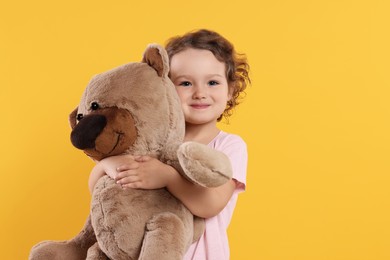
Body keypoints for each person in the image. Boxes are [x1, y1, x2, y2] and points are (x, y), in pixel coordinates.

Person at [89, 29, 251, 259]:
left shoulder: (228, 146)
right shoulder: (150, 140)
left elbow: (210, 204)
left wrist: (168, 177)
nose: (200, 93)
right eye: (185, 83)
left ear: (230, 91)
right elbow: (98, 190)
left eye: (213, 82)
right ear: (165, 88)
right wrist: (108, 164)